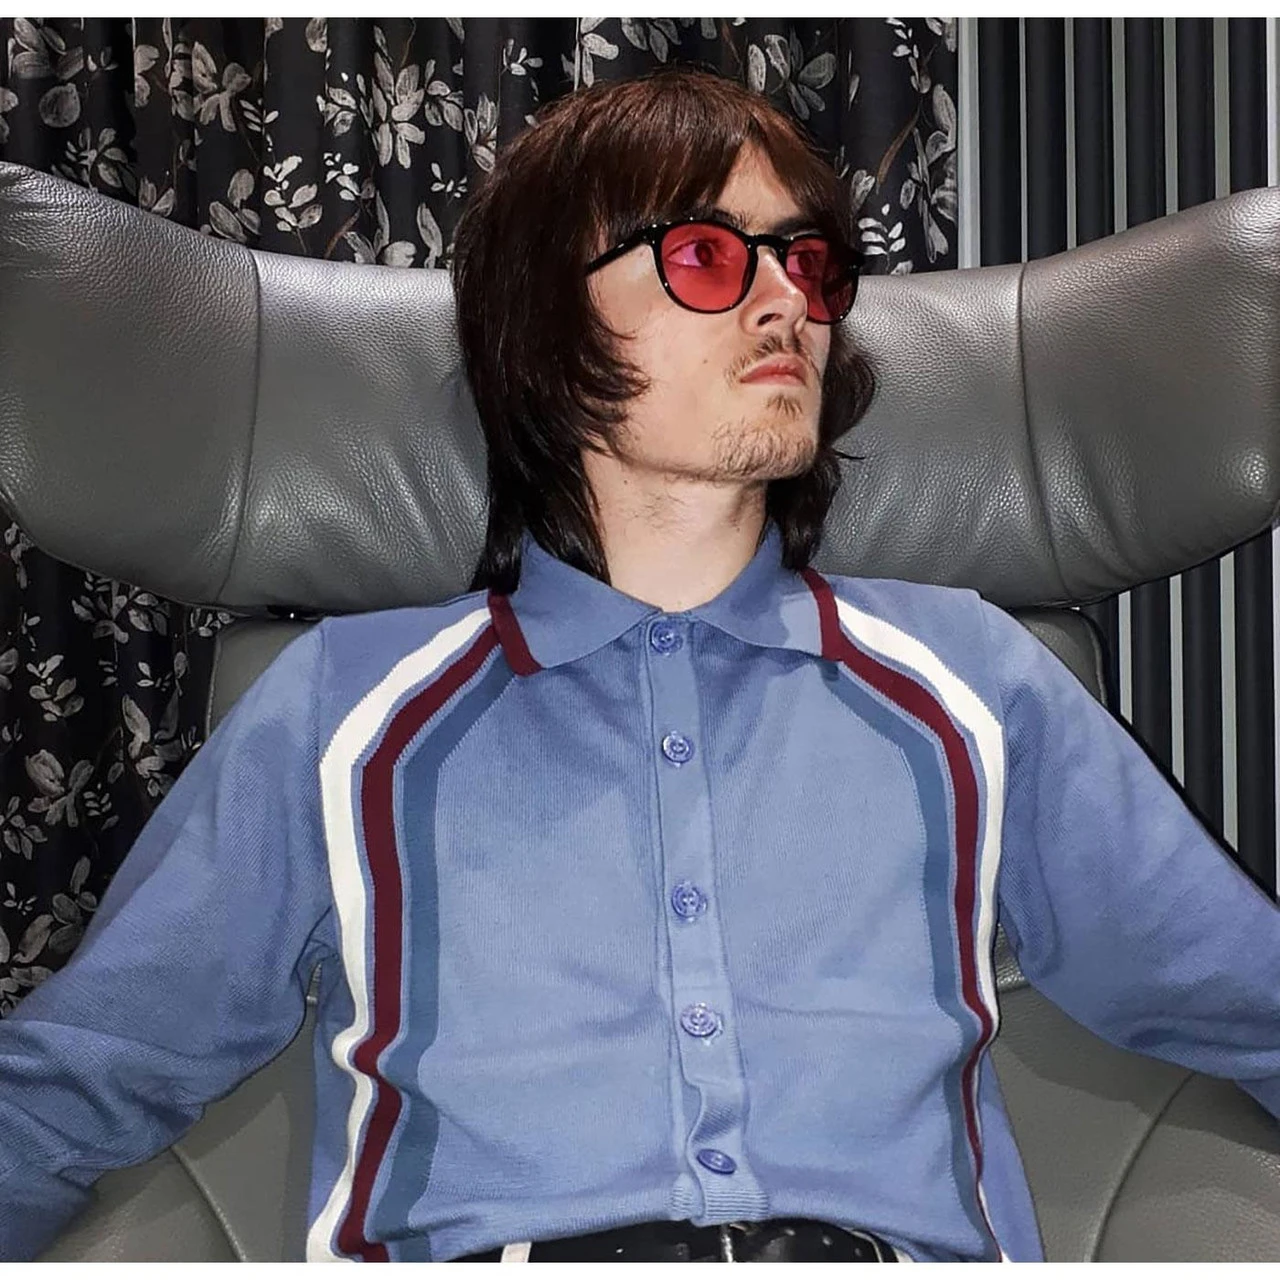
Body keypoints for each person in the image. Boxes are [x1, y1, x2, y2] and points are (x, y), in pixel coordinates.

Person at [2, 62, 1279, 1265]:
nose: (788, 302)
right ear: (545, 326)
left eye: (808, 262)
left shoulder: (975, 679)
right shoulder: (338, 707)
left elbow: (1242, 995)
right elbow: (87, 1073)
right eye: (708, 255)